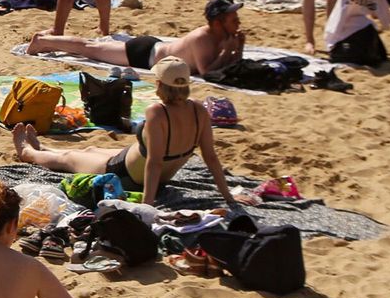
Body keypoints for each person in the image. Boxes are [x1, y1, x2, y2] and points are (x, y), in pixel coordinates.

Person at [15, 57, 235, 207]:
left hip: (126, 174)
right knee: (91, 147)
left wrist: (147, 206)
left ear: (159, 84)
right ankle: (44, 147)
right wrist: (228, 197)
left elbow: (155, 162)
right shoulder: (199, 110)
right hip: (137, 164)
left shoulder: (158, 112)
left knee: (68, 158)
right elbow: (211, 156)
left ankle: (28, 153)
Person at [25, 0, 247, 78]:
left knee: (93, 47)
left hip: (156, 49)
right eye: (232, 19)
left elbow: (225, 67)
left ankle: (46, 41)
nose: (237, 23)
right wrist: (230, 51)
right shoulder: (202, 38)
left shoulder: (222, 36)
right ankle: (41, 41)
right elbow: (207, 72)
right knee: (89, 47)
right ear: (218, 22)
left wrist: (238, 50)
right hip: (145, 55)